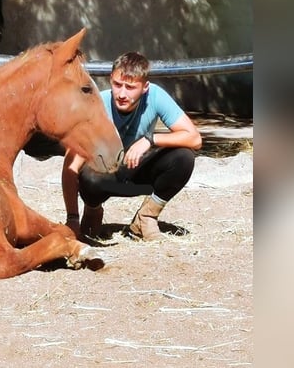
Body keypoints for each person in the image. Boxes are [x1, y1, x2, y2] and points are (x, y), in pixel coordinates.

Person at [62, 51, 202, 241]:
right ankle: (93, 212)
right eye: (117, 85)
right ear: (110, 79)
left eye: (130, 87)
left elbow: (194, 139)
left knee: (184, 157)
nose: (121, 93)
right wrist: (72, 218)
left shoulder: (156, 96)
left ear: (145, 87)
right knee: (89, 176)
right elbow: (70, 166)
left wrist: (150, 139)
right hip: (104, 178)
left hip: (139, 172)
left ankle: (146, 217)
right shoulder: (95, 105)